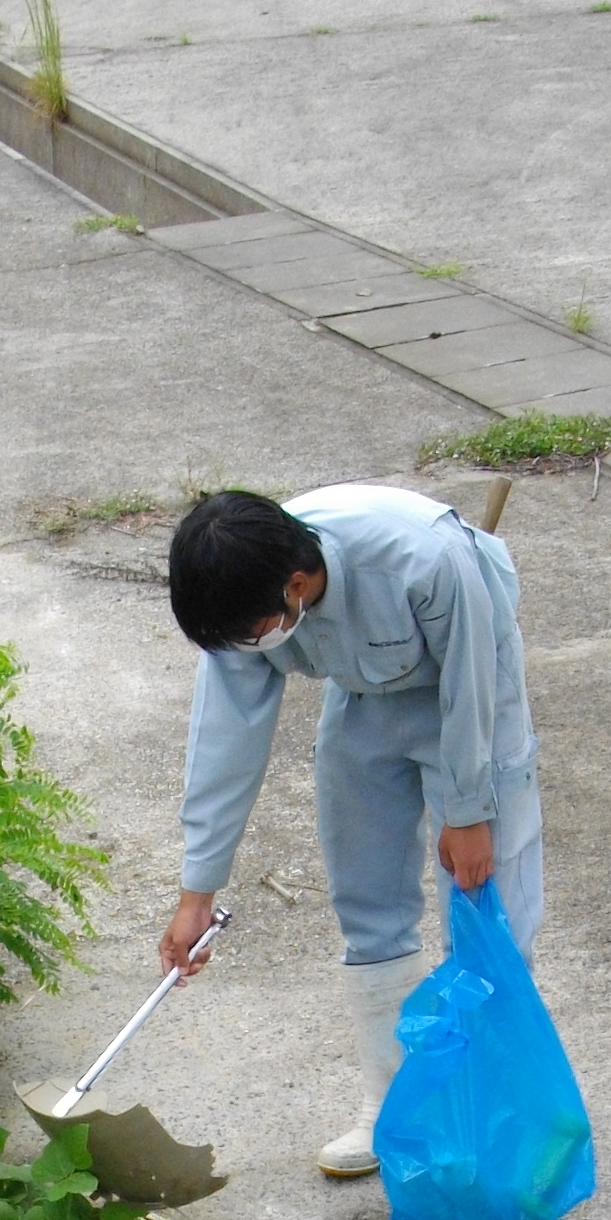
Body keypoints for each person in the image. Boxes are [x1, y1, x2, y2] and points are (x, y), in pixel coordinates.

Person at [156, 483, 541, 1177]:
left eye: (250, 634)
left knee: (490, 911)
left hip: (475, 685)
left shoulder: (421, 559)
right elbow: (224, 739)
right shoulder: (245, 596)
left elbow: (472, 684)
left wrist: (468, 810)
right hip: (366, 697)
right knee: (366, 899)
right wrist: (197, 891)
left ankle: (492, 1120)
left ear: (298, 586)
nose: (247, 648)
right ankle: (395, 1111)